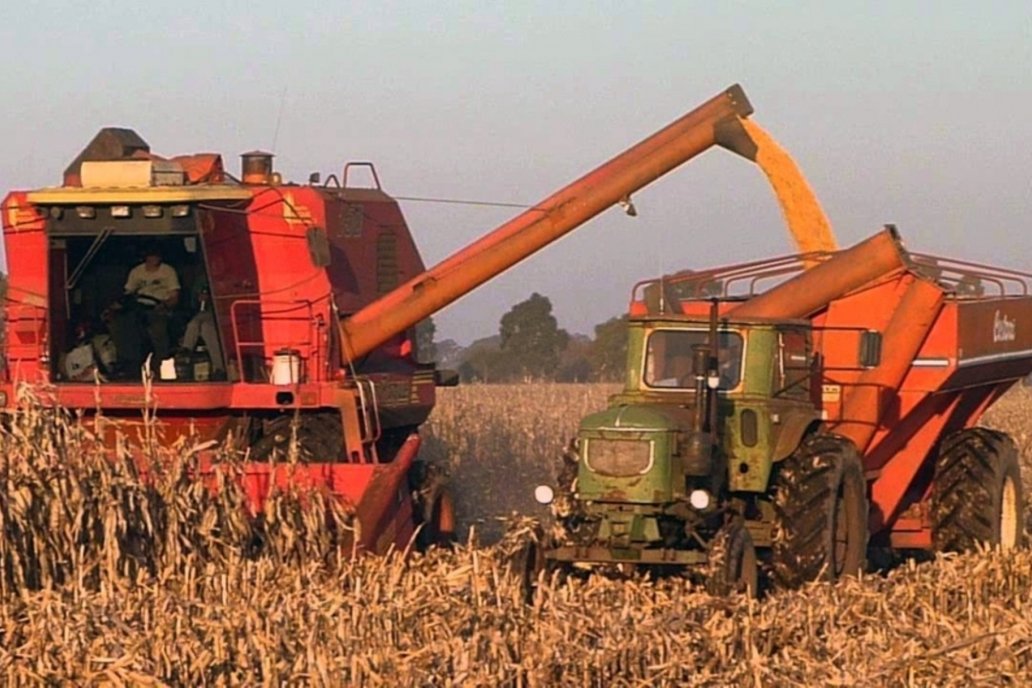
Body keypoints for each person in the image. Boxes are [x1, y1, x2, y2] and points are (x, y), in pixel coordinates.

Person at [109, 245, 180, 376]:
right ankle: (129, 363)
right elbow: (128, 293)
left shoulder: (168, 271)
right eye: (151, 255)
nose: (154, 259)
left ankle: (161, 362)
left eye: (156, 256)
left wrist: (165, 305)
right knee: (122, 324)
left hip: (160, 308)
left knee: (158, 329)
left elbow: (174, 296)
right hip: (138, 308)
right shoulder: (137, 272)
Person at [180, 282, 226, 380]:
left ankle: (186, 347)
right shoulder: (201, 281)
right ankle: (220, 368)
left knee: (196, 323)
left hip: (222, 313)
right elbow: (193, 304)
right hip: (207, 316)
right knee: (206, 328)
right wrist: (199, 299)